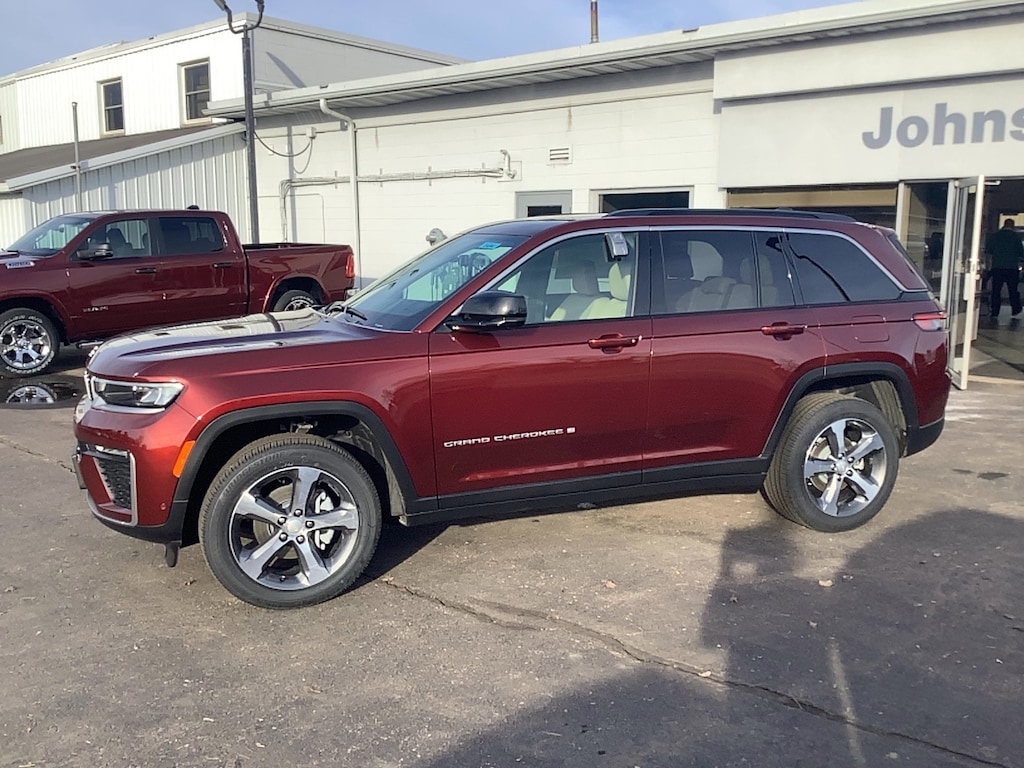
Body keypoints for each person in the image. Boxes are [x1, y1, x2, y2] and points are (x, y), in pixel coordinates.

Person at [984, 218, 1024, 318]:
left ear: (1004, 225)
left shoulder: (995, 236)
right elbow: (1021, 252)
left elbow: (988, 250)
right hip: (1012, 268)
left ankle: (995, 311)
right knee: (1013, 290)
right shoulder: (1016, 237)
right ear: (1013, 226)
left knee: (996, 290)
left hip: (997, 267)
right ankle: (1015, 308)